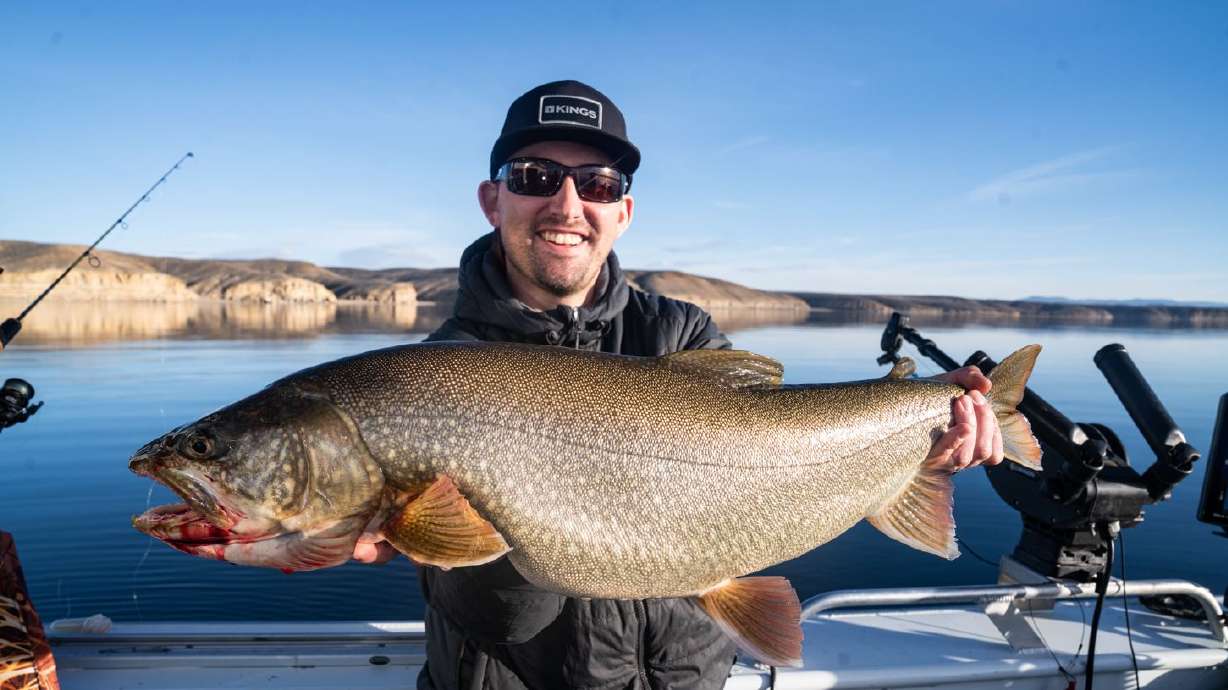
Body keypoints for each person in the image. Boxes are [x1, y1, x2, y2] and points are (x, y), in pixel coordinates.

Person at [353, 80, 1004, 690]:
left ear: (624, 211)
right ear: (494, 200)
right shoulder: (430, 381)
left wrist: (920, 448)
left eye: (598, 184)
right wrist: (433, 532)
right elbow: (506, 622)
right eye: (535, 177)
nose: (567, 204)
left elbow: (773, 458)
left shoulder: (678, 332)